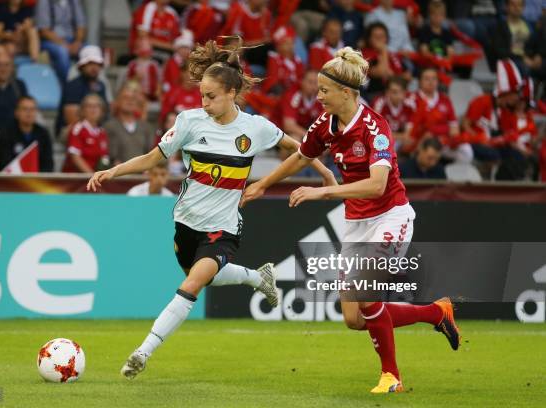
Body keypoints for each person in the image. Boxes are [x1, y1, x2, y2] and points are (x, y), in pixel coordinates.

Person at [86, 38, 336, 379]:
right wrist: (113, 171)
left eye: (211, 96)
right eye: (201, 95)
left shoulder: (255, 128)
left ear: (232, 93)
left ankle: (142, 353)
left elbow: (300, 146)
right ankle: (257, 277)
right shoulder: (189, 122)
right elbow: (153, 158)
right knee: (203, 276)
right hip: (185, 222)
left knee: (194, 284)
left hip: (223, 228)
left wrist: (322, 170)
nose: (204, 103)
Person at [241, 46, 460, 393]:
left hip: (390, 217)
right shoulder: (325, 125)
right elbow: (300, 157)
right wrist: (262, 185)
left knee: (366, 293)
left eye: (324, 90)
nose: (319, 96)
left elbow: (377, 186)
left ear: (346, 92)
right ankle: (437, 313)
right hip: (357, 223)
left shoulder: (376, 127)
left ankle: (392, 376)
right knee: (354, 319)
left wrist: (321, 192)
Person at [57, 45, 108, 135]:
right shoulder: (73, 86)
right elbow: (71, 119)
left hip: (95, 129)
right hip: (72, 130)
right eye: (90, 64)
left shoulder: (101, 86)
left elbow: (104, 113)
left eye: (97, 64)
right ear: (81, 66)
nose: (94, 68)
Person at [0, 96, 54, 172]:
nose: (29, 113)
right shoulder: (6, 133)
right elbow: (3, 163)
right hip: (11, 180)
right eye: (25, 109)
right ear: (16, 112)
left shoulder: (43, 134)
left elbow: (48, 164)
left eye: (32, 109)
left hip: (37, 181)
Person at [36, 0, 86, 82]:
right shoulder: (44, 2)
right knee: (62, 52)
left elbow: (81, 25)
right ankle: (64, 86)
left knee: (90, 50)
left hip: (72, 40)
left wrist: (77, 42)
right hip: (51, 41)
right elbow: (44, 30)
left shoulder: (74, 2)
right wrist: (65, 45)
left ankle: (86, 87)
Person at [104, 84, 154, 165]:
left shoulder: (146, 127)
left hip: (142, 174)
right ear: (118, 101)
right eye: (126, 98)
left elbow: (150, 153)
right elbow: (109, 156)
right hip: (117, 174)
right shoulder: (109, 126)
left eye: (133, 99)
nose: (130, 101)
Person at [62, 94, 109, 173]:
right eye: (89, 106)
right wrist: (92, 176)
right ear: (83, 110)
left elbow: (103, 159)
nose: (93, 109)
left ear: (102, 111)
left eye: (97, 106)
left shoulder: (102, 132)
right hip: (75, 179)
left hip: (93, 180)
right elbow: (75, 156)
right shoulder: (77, 128)